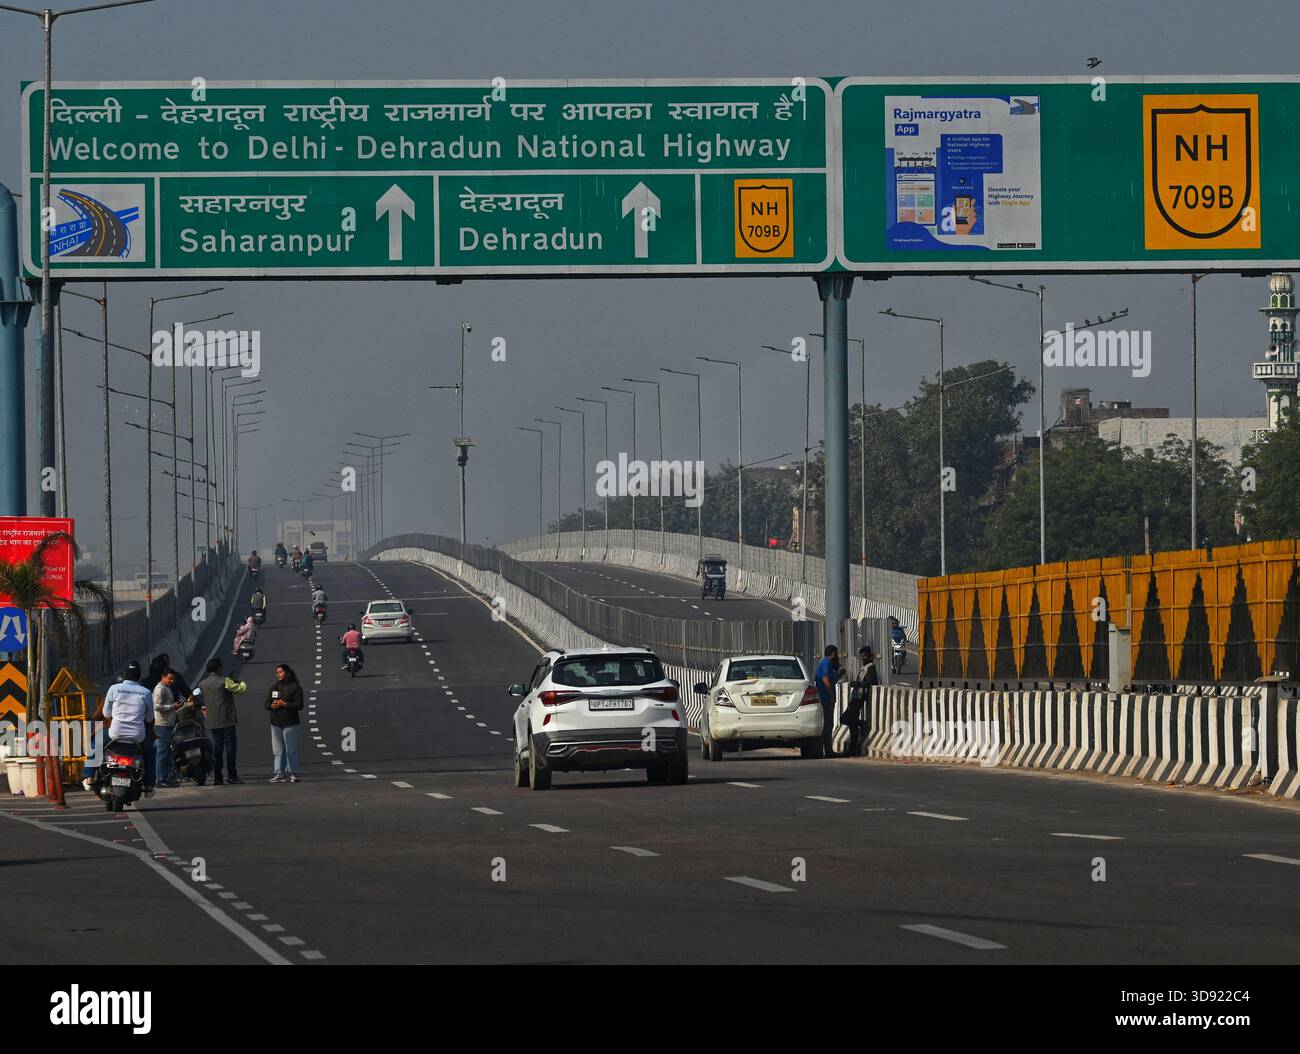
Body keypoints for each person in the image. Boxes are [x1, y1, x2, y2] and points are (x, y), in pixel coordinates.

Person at [101, 660, 156, 798]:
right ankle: (149, 785)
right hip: (137, 736)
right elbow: (150, 718)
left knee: (94, 744)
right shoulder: (146, 692)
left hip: (115, 734)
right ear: (139, 675)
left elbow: (106, 714)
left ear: (125, 674)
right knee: (150, 753)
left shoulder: (114, 689)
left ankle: (88, 776)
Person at [198, 657, 248, 785]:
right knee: (230, 748)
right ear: (219, 668)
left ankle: (218, 776)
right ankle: (232, 775)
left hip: (212, 721)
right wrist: (240, 682)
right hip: (227, 720)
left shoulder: (202, 684)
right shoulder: (225, 681)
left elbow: (199, 695)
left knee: (217, 749)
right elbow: (240, 689)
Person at [265, 664, 304, 783]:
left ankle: (292, 773)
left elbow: (299, 705)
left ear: (287, 673)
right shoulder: (274, 687)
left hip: (290, 723)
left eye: (280, 672)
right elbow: (266, 704)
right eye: (277, 672)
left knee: (290, 750)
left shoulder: (295, 687)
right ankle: (279, 773)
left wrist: (284, 704)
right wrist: (272, 705)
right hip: (275, 723)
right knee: (278, 750)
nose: (278, 674)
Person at [844, 645, 879, 756]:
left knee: (847, 720)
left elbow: (870, 682)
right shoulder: (864, 667)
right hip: (855, 697)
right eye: (862, 656)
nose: (863, 658)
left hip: (859, 699)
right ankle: (852, 748)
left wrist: (857, 683)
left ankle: (862, 726)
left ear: (869, 656)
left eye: (865, 656)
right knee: (850, 723)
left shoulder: (870, 667)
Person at [152, 669, 182, 788]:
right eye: (169, 678)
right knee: (162, 752)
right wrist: (172, 706)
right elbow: (157, 706)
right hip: (161, 725)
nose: (171, 681)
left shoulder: (166, 687)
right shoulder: (160, 689)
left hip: (167, 724)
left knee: (166, 752)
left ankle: (165, 777)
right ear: (162, 677)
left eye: (173, 679)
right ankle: (160, 779)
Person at [814, 644, 843, 756]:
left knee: (827, 725)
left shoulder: (823, 663)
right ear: (833, 654)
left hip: (823, 699)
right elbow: (825, 679)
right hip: (825, 700)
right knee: (827, 725)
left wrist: (838, 675)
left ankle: (826, 749)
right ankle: (828, 750)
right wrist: (831, 695)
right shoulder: (827, 664)